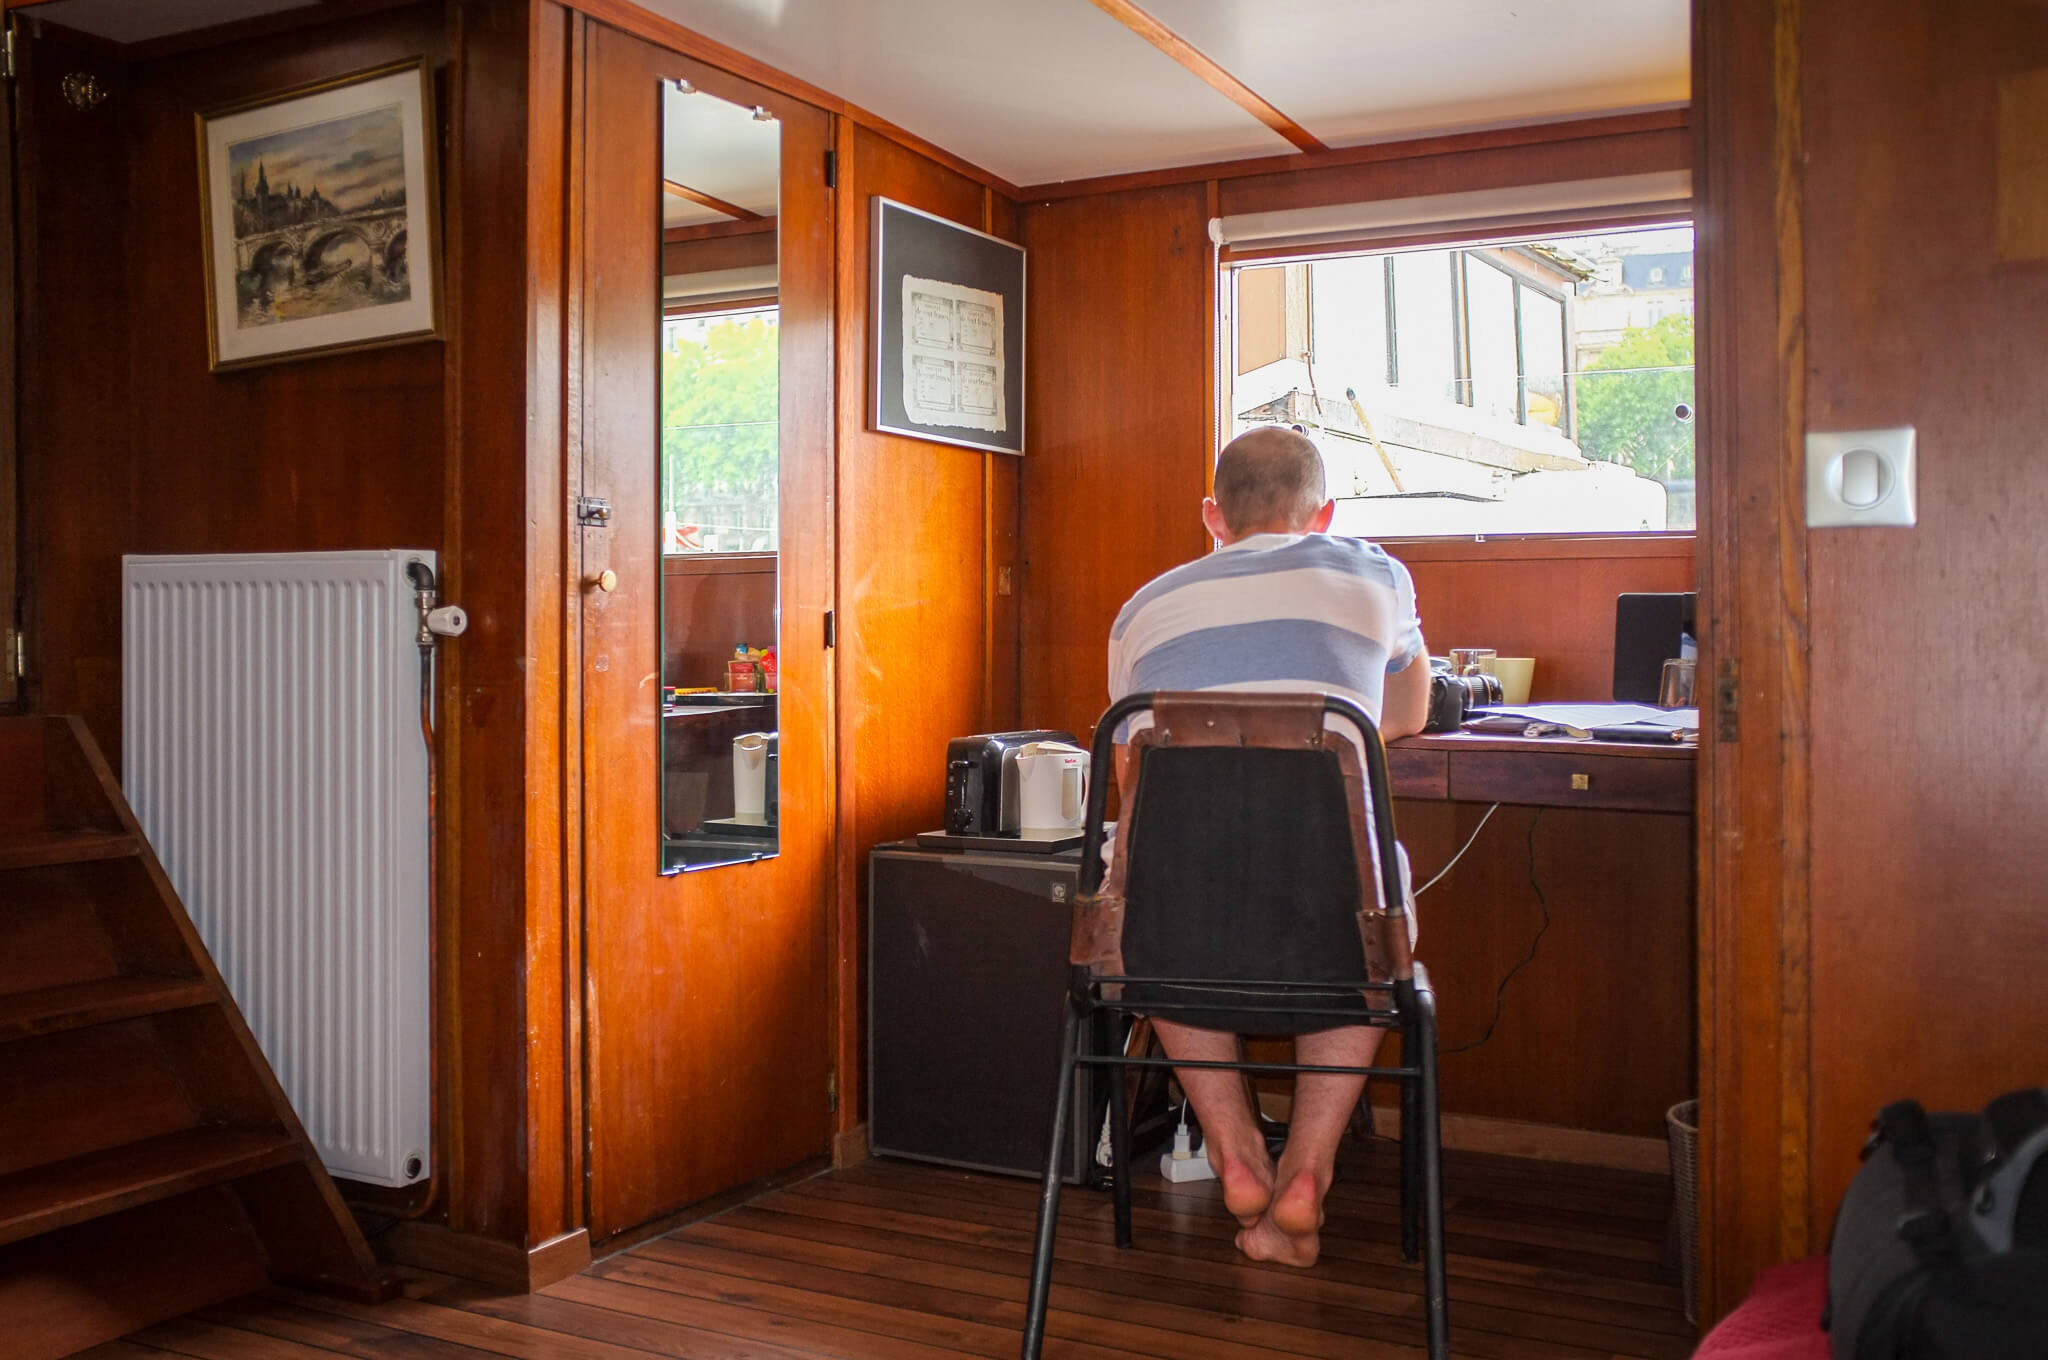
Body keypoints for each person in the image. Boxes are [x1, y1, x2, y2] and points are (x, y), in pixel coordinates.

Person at [1105, 423, 1429, 1268]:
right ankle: (1305, 1171)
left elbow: (1130, 776)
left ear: (1213, 517)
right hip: (1328, 897)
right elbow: (1401, 718)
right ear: (1324, 515)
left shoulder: (1142, 608)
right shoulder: (1378, 574)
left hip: (1176, 907)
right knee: (1363, 924)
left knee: (1161, 915)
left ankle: (1234, 1149)